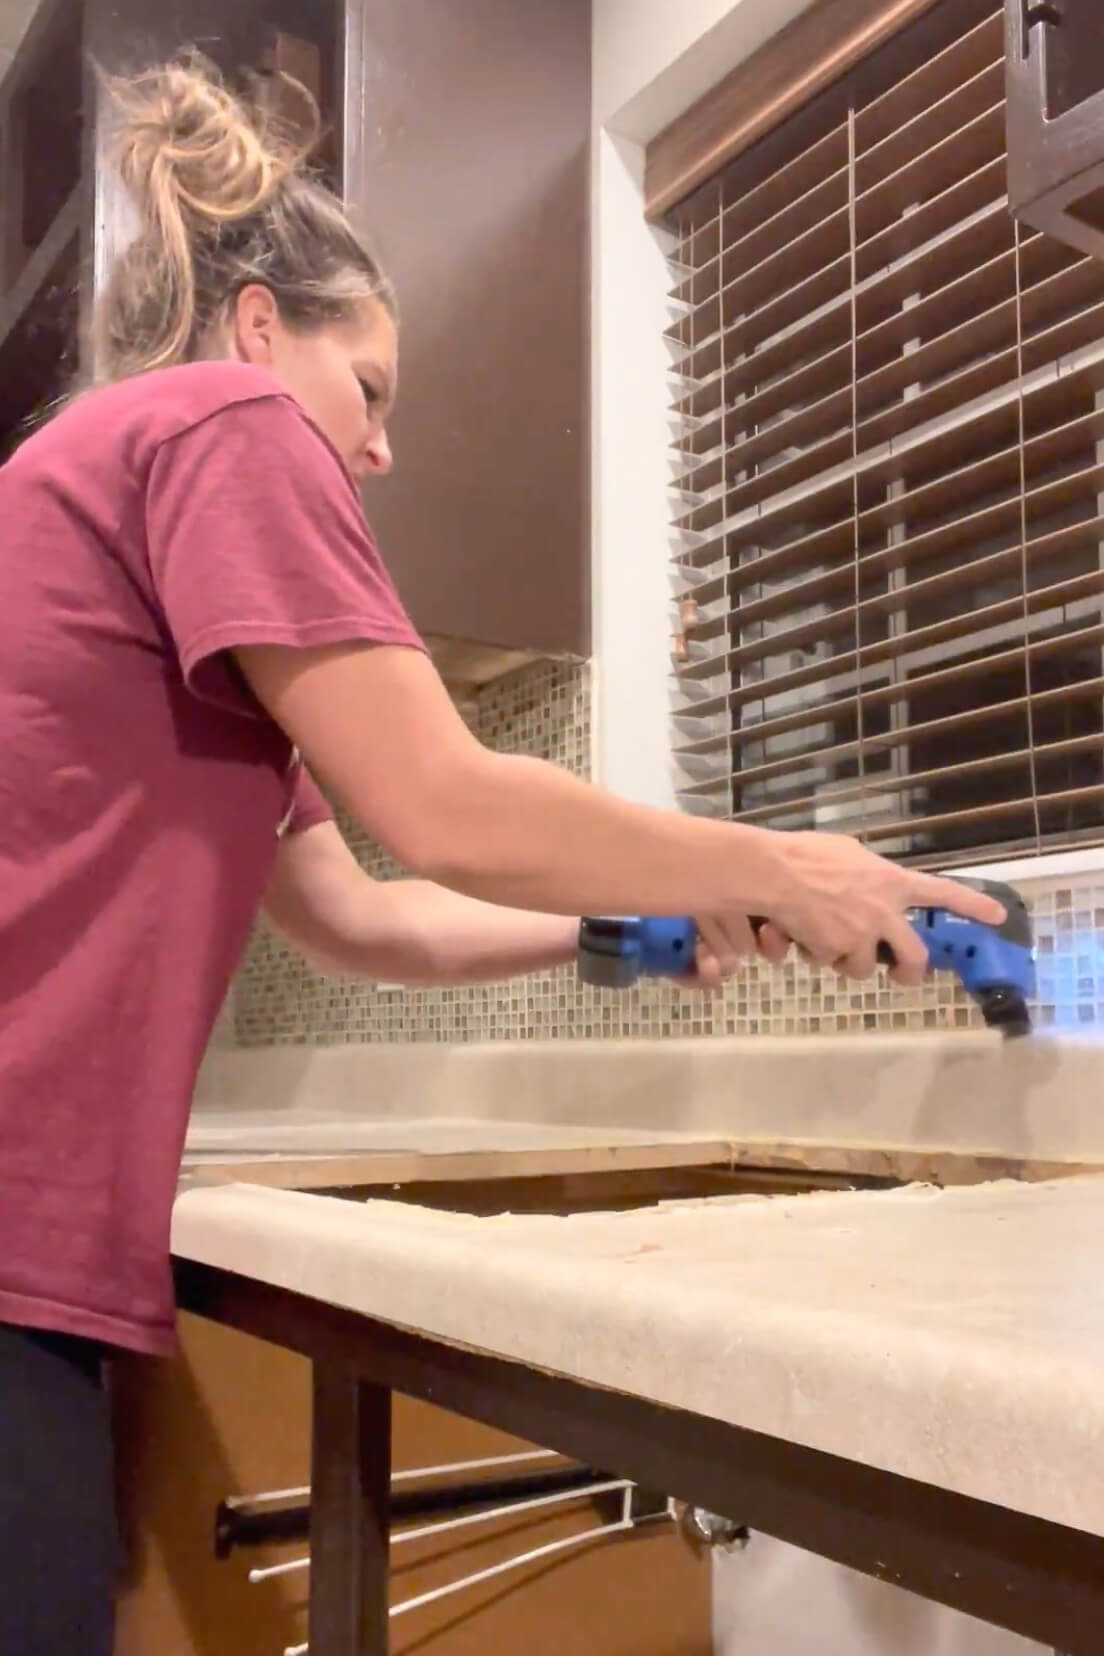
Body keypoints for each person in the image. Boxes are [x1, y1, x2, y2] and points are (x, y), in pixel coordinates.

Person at [0, 55, 1003, 1655]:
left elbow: (361, 918)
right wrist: (794, 867)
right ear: (262, 329)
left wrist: (647, 929)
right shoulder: (228, 419)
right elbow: (447, 805)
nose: (381, 450)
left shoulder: (140, 533)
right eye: (373, 388)